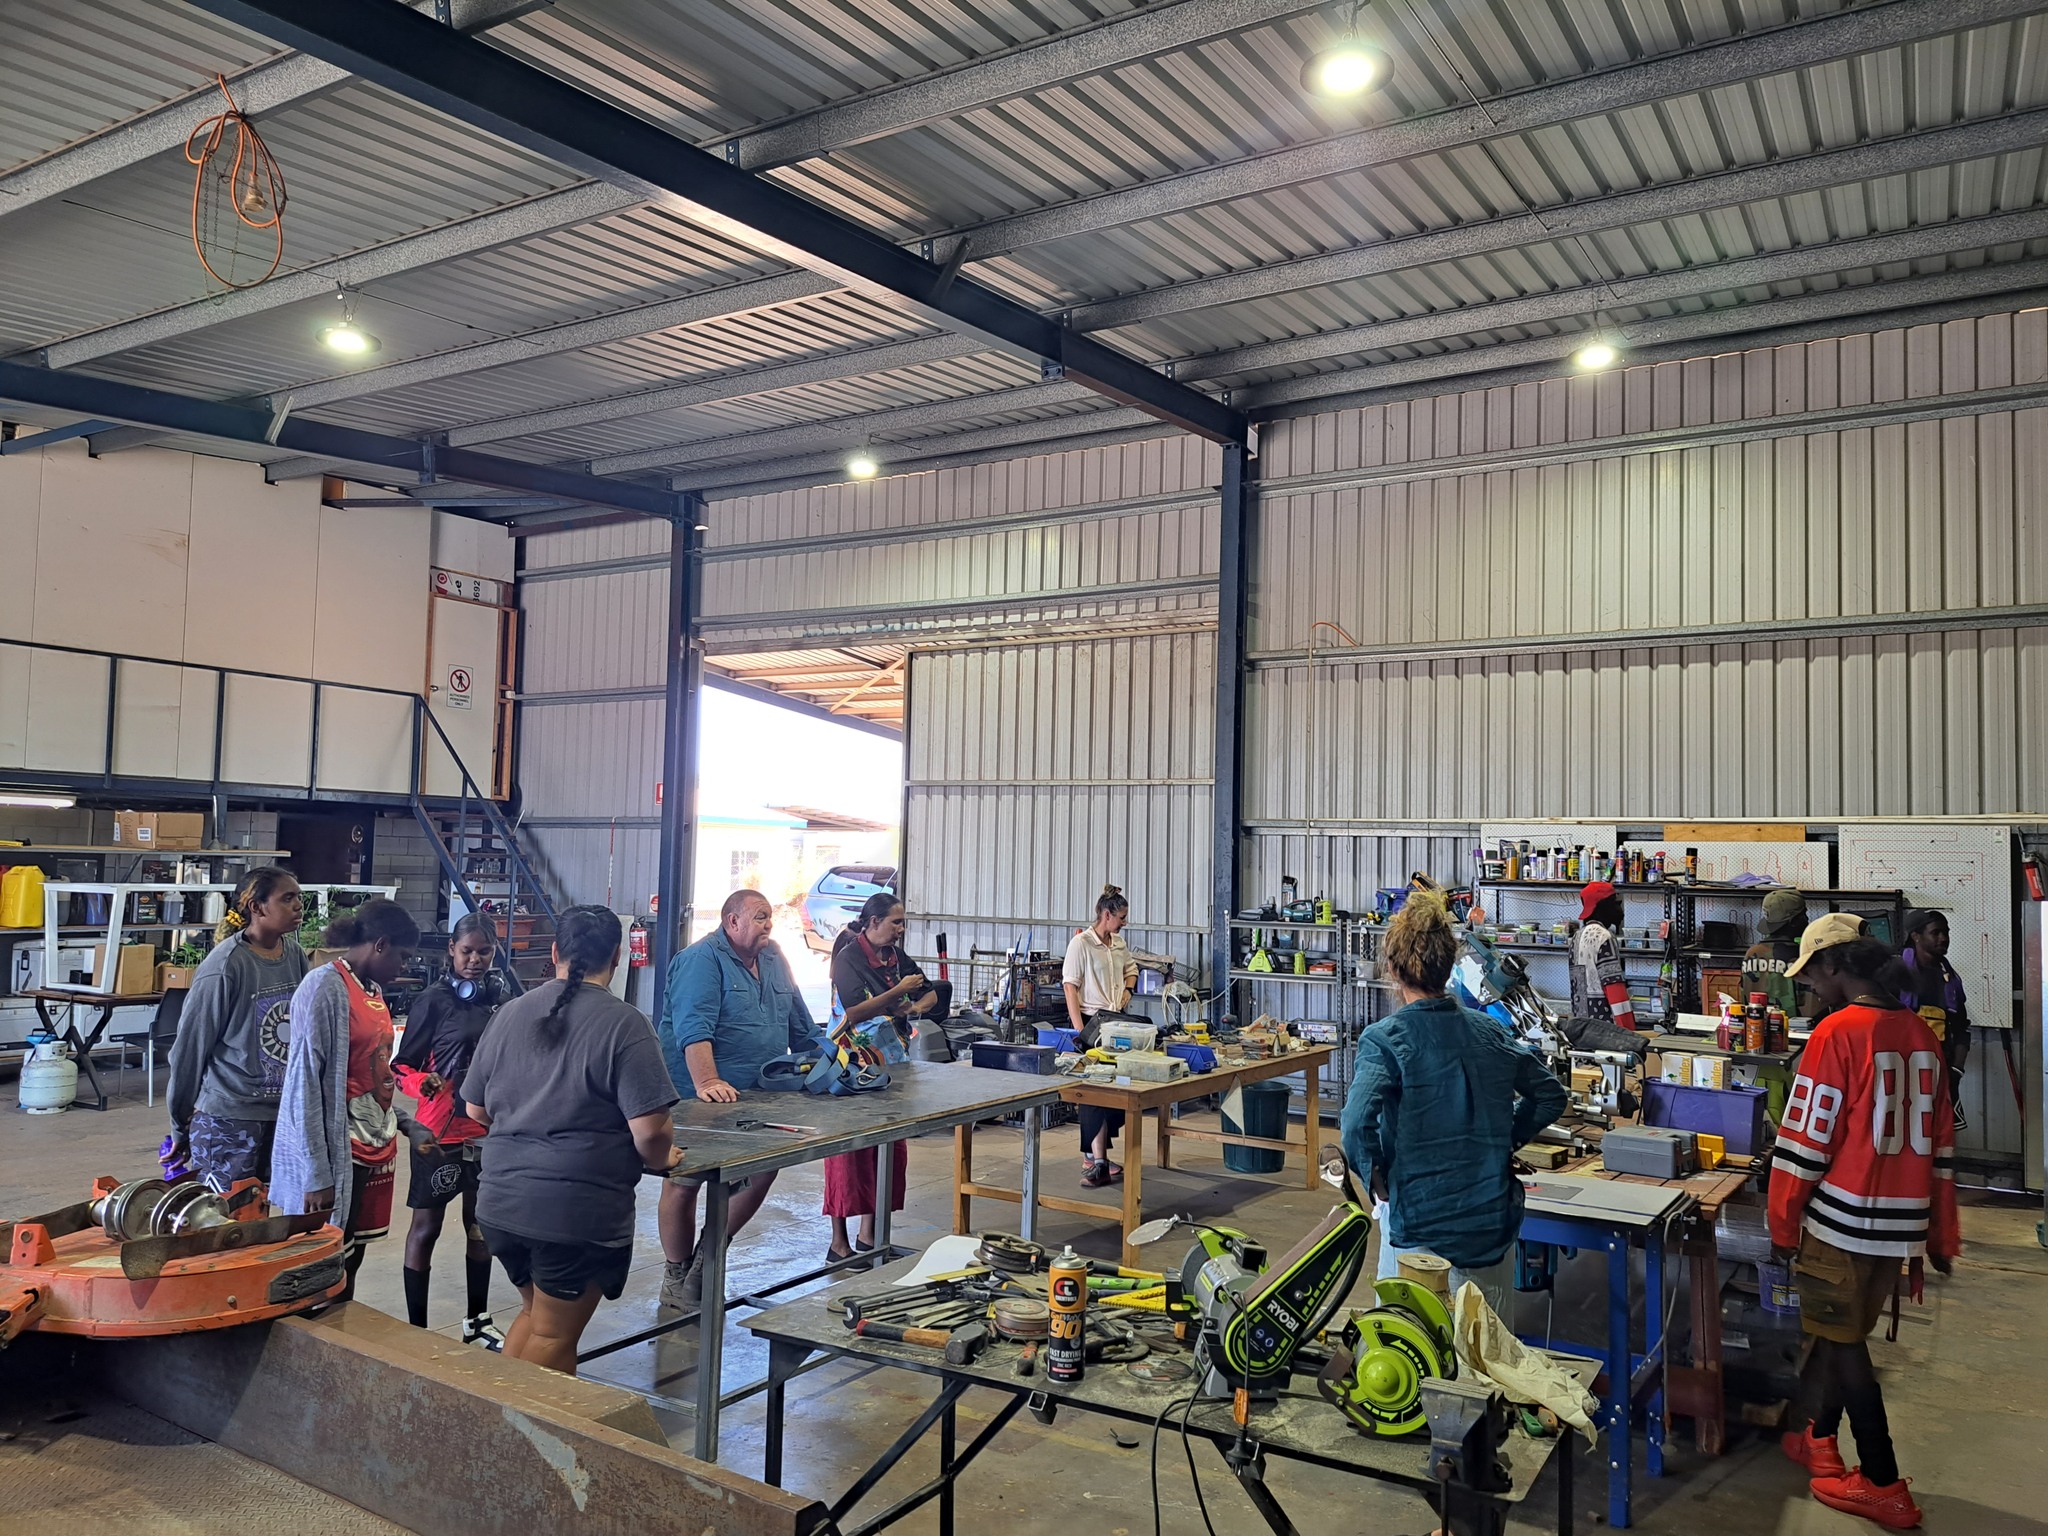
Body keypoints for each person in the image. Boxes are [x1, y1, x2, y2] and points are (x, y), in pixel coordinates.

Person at [1771, 912, 1958, 1530]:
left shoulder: (1836, 1035)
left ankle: (1881, 1480)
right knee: (1838, 1329)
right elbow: (1941, 1149)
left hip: (1842, 1224)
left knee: (1845, 1343)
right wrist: (1940, 1233)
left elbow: (1804, 1144)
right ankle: (1816, 1438)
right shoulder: (1921, 1034)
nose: (1809, 988)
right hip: (1897, 1227)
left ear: (1835, 967)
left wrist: (1781, 1223)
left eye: (1812, 975)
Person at [462, 906, 681, 1375]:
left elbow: (475, 1110)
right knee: (552, 1334)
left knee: (535, 1318)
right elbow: (650, 1134)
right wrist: (666, 1156)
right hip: (571, 1212)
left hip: (500, 1205)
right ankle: (526, 1445)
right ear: (617, 957)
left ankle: (494, 1429)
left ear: (555, 952)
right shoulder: (626, 1024)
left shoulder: (509, 1014)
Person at [1338, 891, 1569, 1316]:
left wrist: (1376, 1177)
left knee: (1409, 1357)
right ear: (1448, 968)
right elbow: (1551, 1094)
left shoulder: (1385, 1039)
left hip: (1419, 1230)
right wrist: (1504, 1141)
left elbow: (1354, 1125)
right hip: (1489, 1229)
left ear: (1392, 969)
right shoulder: (1491, 1032)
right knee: (1489, 1361)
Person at [657, 889, 826, 1310]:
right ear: (732, 921)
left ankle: (707, 1256)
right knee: (686, 1182)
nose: (769, 925)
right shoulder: (701, 961)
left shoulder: (774, 960)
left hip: (762, 1098)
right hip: (698, 1100)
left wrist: (842, 1059)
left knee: (765, 1170)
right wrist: (708, 1079)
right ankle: (675, 1277)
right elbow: (692, 1029)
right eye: (760, 917)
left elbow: (802, 1027)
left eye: (769, 917)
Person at [272, 897, 434, 1299]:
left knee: (351, 1260)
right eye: (402, 956)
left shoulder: (374, 992)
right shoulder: (325, 987)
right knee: (320, 1264)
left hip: (373, 1149)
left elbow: (371, 1076)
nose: (404, 967)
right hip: (337, 1155)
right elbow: (305, 1084)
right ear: (380, 944)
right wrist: (316, 1172)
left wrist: (408, 1124)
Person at [391, 914, 505, 1349]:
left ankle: (477, 1321)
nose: (474, 960)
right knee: (426, 1229)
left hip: (486, 1132)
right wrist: (421, 1083)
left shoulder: (498, 1000)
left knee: (481, 1229)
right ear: (451, 952)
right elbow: (399, 1067)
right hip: (438, 1134)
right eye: (467, 951)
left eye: (484, 952)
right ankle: (416, 1332)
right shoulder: (433, 1001)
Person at [822, 892, 951, 1262]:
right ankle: (838, 1244)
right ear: (873, 922)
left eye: (902, 921)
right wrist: (898, 992)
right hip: (852, 1067)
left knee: (887, 1149)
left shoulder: (894, 957)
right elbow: (854, 1012)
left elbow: (927, 990)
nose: (901, 929)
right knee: (848, 1154)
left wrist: (915, 1004)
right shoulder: (848, 958)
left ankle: (869, 1237)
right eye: (895, 922)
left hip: (891, 1065)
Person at [164, 866, 308, 1189]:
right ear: (257, 907)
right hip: (228, 1119)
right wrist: (179, 1122)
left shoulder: (296, 956)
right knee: (223, 1223)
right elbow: (189, 1049)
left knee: (266, 1223)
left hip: (280, 1117)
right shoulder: (226, 966)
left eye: (299, 897)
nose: (298, 905)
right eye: (287, 898)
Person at [1062, 884, 1141, 1188]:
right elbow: (1070, 987)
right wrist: (1080, 1031)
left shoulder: (1118, 943)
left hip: (1116, 1021)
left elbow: (1131, 970)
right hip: (1090, 1022)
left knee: (1112, 1093)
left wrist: (1128, 991)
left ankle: (1096, 1155)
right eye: (1121, 916)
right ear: (1106, 915)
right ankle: (1097, 1161)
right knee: (1093, 1093)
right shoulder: (1080, 945)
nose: (1124, 922)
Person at [1898, 909, 1970, 1132]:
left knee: (1941, 1140)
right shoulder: (1895, 974)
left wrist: (1956, 1071)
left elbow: (1960, 1027)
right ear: (1915, 936)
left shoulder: (1949, 977)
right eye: (1936, 932)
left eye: (1946, 932)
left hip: (1942, 1073)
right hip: (1901, 1072)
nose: (1944, 938)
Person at [1569, 880, 1637, 1030]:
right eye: (1615, 903)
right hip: (1606, 1026)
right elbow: (1614, 988)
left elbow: (1577, 988)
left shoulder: (1577, 937)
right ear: (1602, 906)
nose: (1620, 909)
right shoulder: (1604, 936)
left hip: (1582, 1025)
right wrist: (1629, 1032)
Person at [1741, 888, 1809, 1019]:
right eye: (1803, 914)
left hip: (1756, 1026)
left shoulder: (1752, 953)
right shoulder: (1801, 956)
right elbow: (1812, 1008)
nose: (1806, 919)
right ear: (1793, 922)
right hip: (1793, 1032)